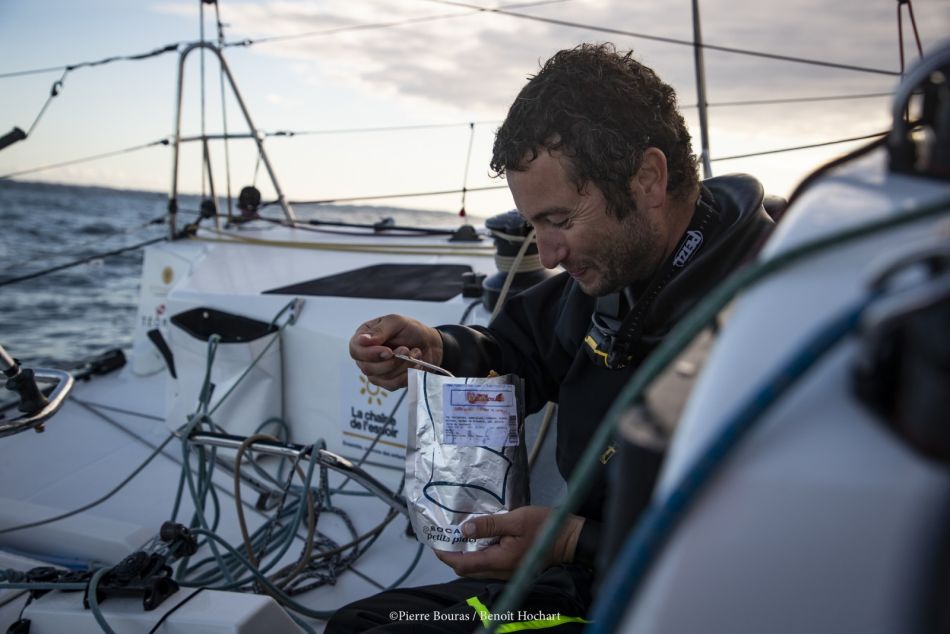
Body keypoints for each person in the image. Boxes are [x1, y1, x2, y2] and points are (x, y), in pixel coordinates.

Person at [329, 42, 774, 633]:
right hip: (577, 576)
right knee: (357, 623)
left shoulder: (770, 316)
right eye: (534, 223)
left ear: (647, 178)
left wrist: (569, 539)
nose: (548, 254)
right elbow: (516, 353)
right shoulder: (618, 274)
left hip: (661, 604)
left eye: (560, 220)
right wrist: (439, 348)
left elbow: (761, 556)